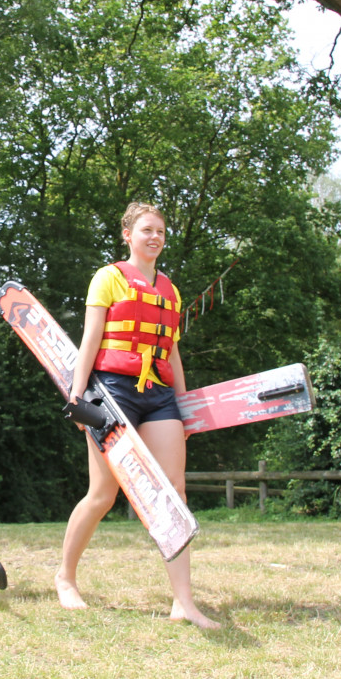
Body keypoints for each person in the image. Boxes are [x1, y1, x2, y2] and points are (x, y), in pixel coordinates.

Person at [55, 202, 220, 630]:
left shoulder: (171, 289)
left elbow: (173, 352)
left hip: (159, 394)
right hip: (113, 391)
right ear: (127, 234)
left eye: (160, 231)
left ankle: (184, 602)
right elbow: (90, 339)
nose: (155, 237)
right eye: (146, 229)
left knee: (174, 492)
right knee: (103, 494)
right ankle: (65, 577)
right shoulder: (108, 277)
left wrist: (184, 408)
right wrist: (77, 398)